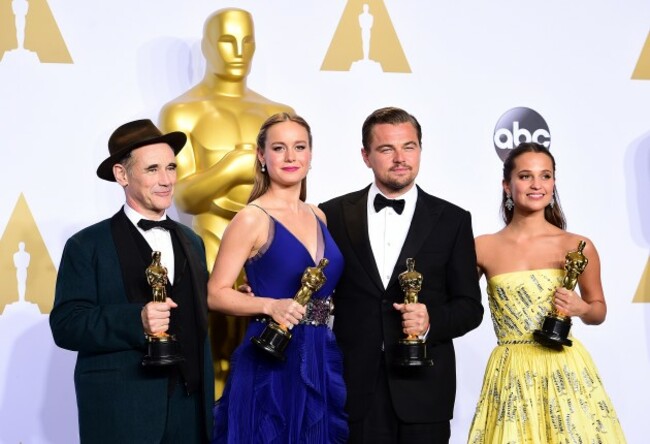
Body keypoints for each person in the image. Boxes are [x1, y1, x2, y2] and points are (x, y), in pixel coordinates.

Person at [319, 106, 484, 443]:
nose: (400, 158)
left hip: (424, 393)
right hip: (351, 390)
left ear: (420, 150)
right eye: (386, 149)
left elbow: (470, 307)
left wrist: (430, 320)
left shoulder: (453, 220)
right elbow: (316, 284)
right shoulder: (332, 214)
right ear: (366, 156)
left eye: (409, 146)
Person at [49, 119, 215, 443]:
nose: (166, 180)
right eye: (152, 169)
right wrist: (136, 320)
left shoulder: (192, 241)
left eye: (171, 167)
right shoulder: (86, 245)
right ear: (121, 175)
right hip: (122, 409)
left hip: (189, 409)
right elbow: (66, 324)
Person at [159, 8, 295, 392]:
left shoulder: (277, 113)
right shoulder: (182, 112)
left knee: (275, 351)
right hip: (212, 236)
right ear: (205, 47)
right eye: (226, 40)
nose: (238, 51)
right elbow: (182, 196)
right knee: (216, 355)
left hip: (273, 240)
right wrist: (232, 169)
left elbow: (296, 188)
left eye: (246, 41)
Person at [467, 142, 626, 443]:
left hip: (564, 369)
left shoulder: (577, 245)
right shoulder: (482, 247)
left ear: (554, 183)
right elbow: (459, 306)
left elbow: (598, 311)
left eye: (546, 176)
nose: (536, 184)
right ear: (507, 185)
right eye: (525, 176)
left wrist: (581, 307)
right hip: (510, 369)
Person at [208, 113, 348, 443]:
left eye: (299, 147)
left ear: (310, 155)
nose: (290, 157)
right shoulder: (251, 218)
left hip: (319, 352)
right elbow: (215, 293)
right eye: (279, 148)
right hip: (272, 355)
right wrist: (269, 304)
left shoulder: (317, 214)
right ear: (261, 156)